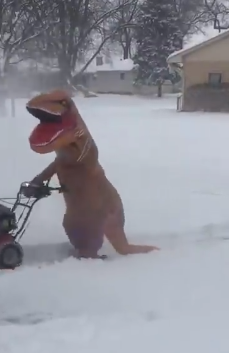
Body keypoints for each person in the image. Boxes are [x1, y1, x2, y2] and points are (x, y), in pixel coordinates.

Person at [23, 89, 159, 259]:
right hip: (80, 208)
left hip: (103, 207)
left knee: (115, 246)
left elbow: (78, 158)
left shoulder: (84, 147)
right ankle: (86, 253)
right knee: (74, 226)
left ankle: (94, 258)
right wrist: (38, 180)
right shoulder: (65, 152)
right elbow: (60, 163)